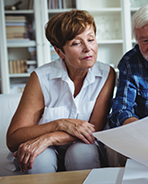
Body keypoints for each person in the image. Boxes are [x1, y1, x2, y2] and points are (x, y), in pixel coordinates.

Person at [6, 10, 116, 174]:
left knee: (81, 152)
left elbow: (94, 129)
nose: (88, 49)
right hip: (44, 150)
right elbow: (13, 139)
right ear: (59, 52)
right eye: (76, 43)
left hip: (82, 144)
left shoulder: (107, 74)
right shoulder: (41, 78)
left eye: (91, 39)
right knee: (39, 160)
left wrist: (50, 137)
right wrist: (59, 124)